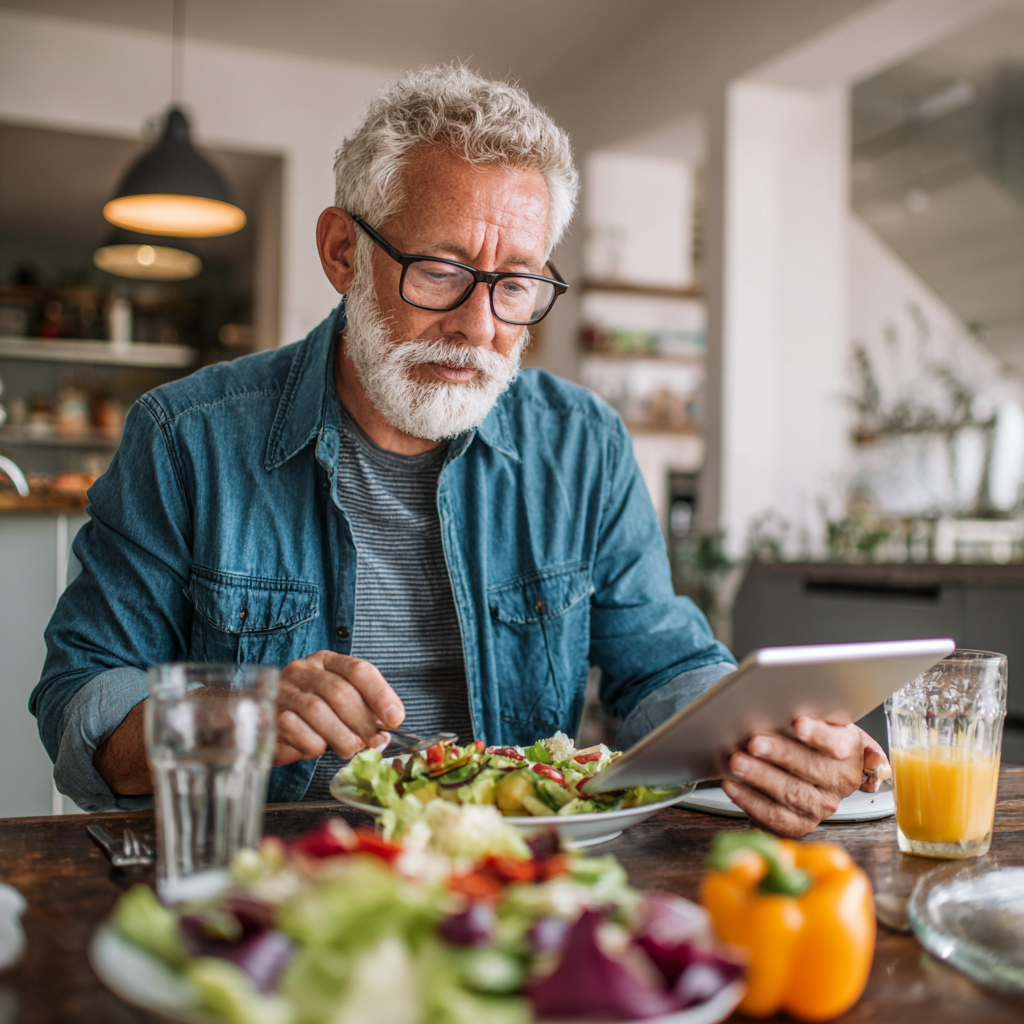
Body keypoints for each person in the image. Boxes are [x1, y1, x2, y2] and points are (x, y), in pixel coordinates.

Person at [31, 64, 889, 836]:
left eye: (516, 284)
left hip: (512, 879)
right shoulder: (186, 439)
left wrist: (770, 736)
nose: (479, 328)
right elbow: (79, 708)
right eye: (439, 270)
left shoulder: (583, 445)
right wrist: (235, 713)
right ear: (342, 251)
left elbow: (661, 666)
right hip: (274, 874)